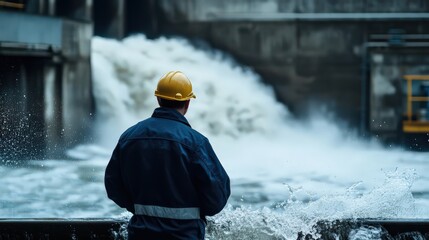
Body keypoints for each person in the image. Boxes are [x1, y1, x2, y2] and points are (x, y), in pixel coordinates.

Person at [104, 70, 231, 240]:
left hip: (141, 234)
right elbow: (217, 197)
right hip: (186, 235)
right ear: (187, 103)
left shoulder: (129, 137)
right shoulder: (196, 143)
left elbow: (113, 186)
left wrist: (140, 209)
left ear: (158, 99)